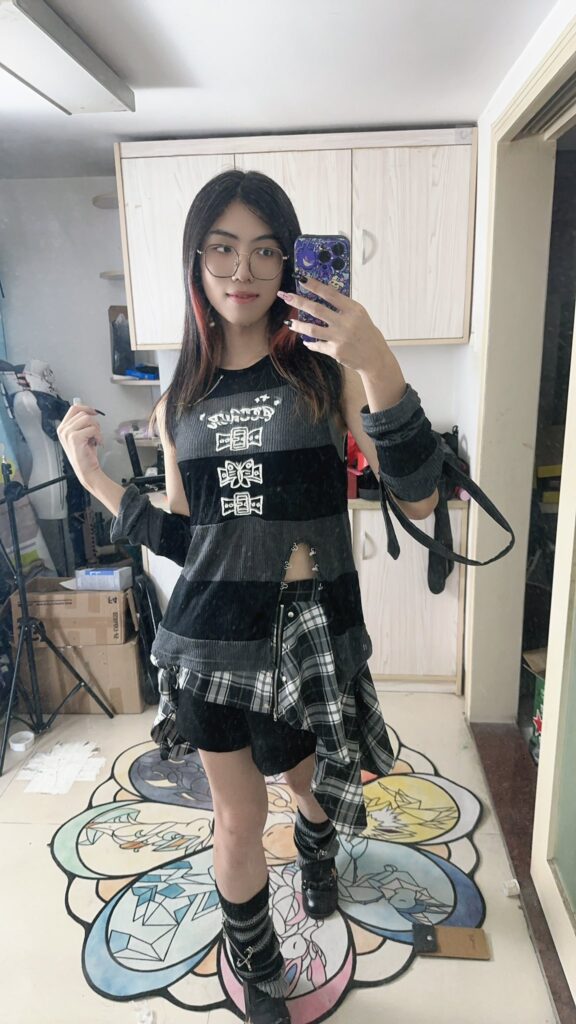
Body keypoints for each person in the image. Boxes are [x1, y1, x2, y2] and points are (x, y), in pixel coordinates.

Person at [57, 169, 441, 1023]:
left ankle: (316, 844)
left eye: (267, 250)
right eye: (223, 249)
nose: (244, 270)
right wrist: (94, 479)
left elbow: (418, 498)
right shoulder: (179, 402)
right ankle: (259, 964)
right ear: (196, 263)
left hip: (307, 630)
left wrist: (375, 356)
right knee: (235, 818)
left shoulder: (325, 372)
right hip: (209, 641)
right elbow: (187, 540)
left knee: (308, 782)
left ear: (291, 262)